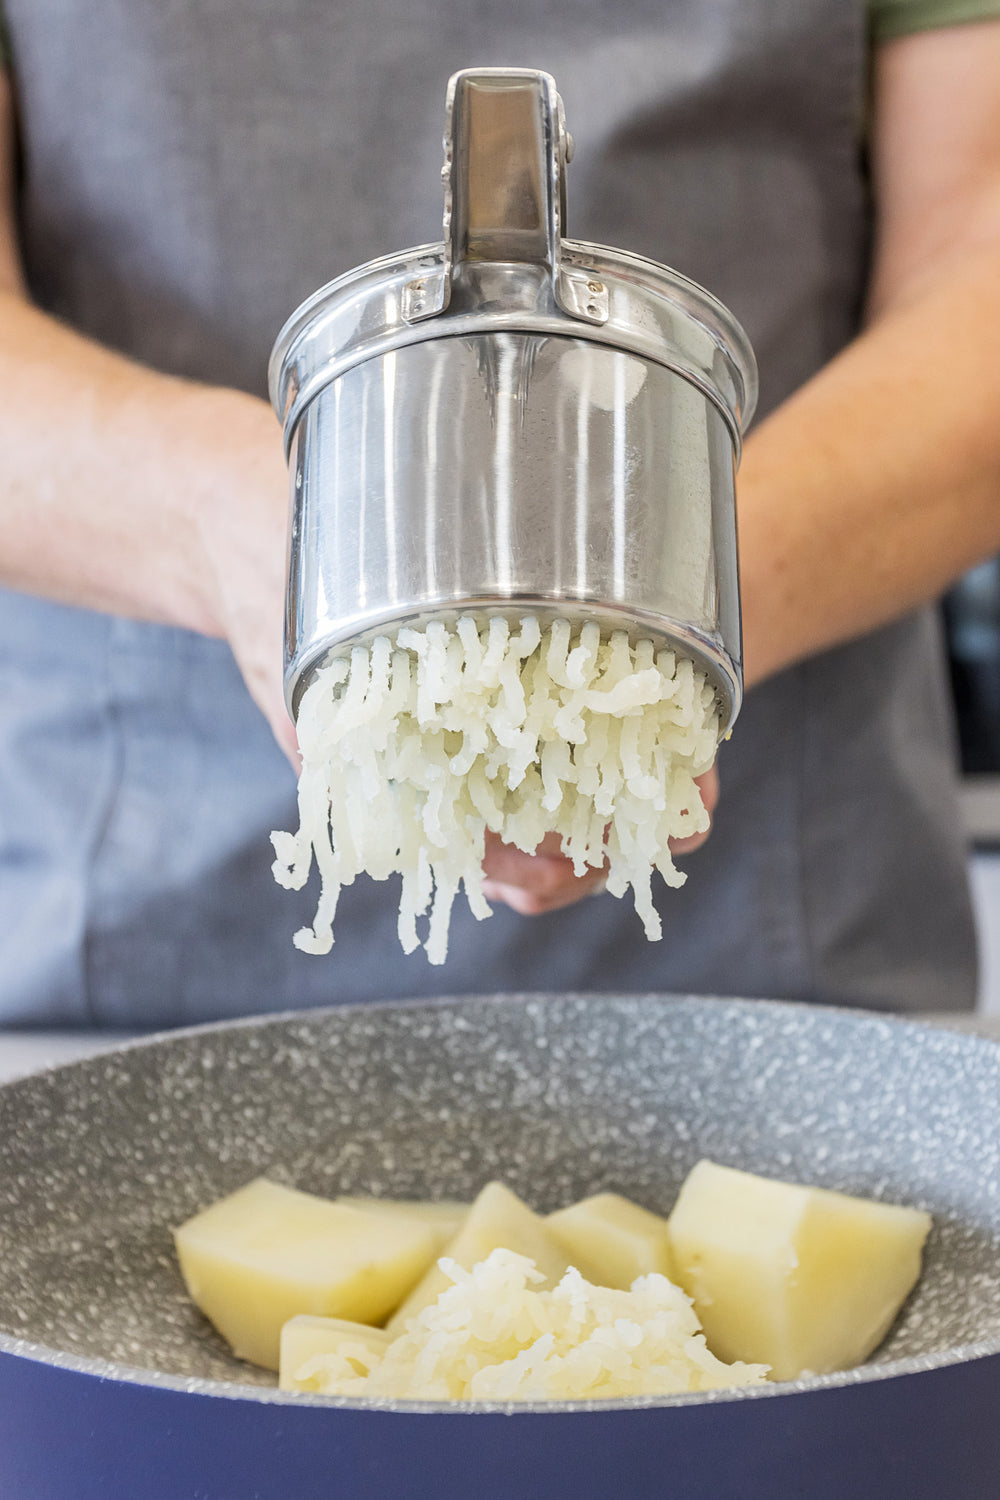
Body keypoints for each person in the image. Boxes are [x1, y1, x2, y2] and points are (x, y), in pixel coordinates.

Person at [0, 0, 998, 1028]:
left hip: (783, 940)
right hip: (134, 947)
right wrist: (226, 523)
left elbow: (982, 265)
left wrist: (668, 598)